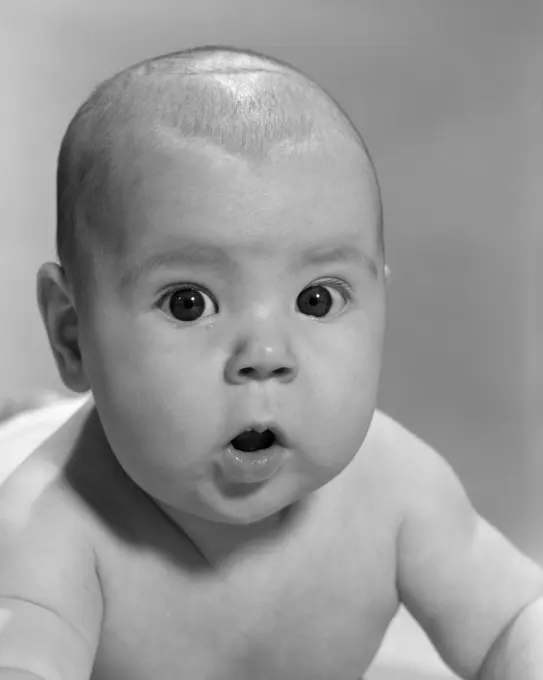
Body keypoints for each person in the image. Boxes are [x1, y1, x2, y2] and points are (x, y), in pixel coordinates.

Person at [0, 45, 541, 680]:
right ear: (73, 336)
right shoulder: (51, 525)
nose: (265, 356)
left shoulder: (396, 490)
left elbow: (515, 619)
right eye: (188, 302)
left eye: (316, 300)